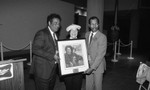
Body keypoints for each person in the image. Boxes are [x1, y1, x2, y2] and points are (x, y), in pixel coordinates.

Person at [29, 13, 61, 90]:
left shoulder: (55, 34)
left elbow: (53, 48)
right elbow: (35, 49)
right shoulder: (42, 33)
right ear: (49, 23)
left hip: (52, 70)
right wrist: (52, 56)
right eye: (55, 23)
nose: (58, 25)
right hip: (42, 71)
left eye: (59, 24)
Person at [84, 16, 107, 90]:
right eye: (92, 24)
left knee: (98, 87)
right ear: (89, 25)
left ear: (98, 25)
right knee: (88, 86)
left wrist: (92, 68)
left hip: (98, 66)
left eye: (96, 24)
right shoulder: (86, 34)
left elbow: (100, 55)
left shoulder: (102, 37)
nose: (94, 26)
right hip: (88, 65)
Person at [63, 24, 84, 90]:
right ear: (69, 33)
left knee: (77, 87)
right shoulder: (63, 43)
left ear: (78, 33)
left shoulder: (81, 43)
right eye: (72, 31)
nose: (74, 33)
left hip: (78, 72)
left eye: (76, 31)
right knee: (69, 87)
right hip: (68, 73)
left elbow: (81, 56)